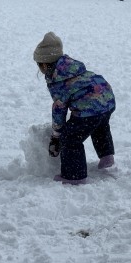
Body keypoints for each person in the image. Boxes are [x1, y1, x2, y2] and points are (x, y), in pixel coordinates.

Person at [34, 32, 116, 185]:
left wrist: (56, 136)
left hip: (89, 108)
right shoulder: (72, 67)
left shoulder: (57, 80)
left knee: (70, 138)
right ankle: (107, 157)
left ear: (44, 64)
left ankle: (74, 175)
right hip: (107, 99)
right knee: (100, 126)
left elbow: (59, 109)